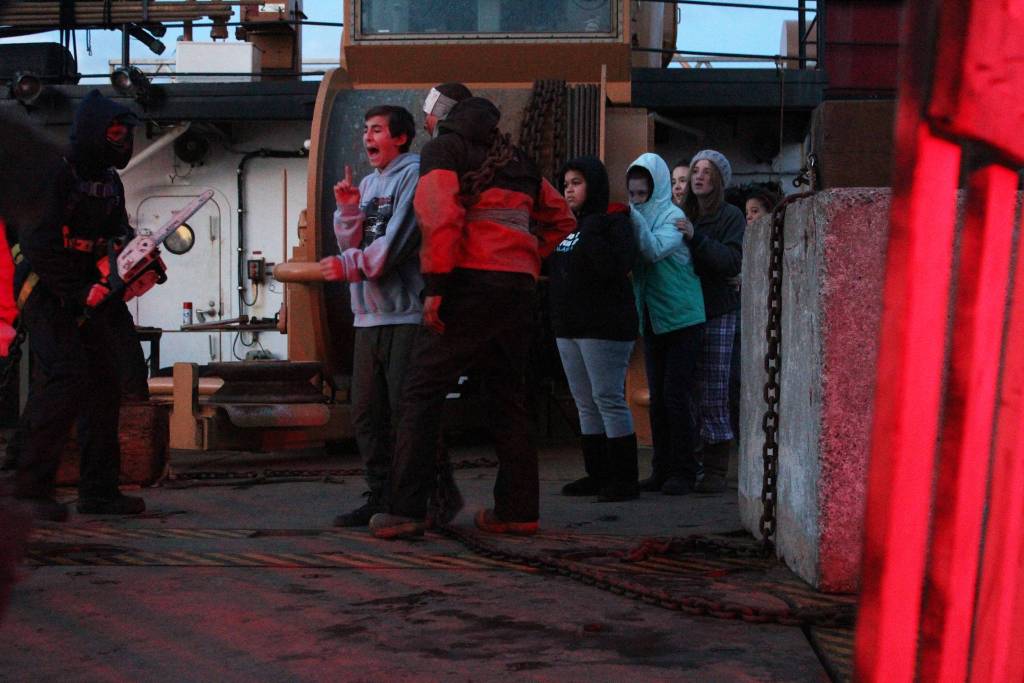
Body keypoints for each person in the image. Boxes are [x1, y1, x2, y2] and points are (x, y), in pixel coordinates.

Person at [370, 93, 576, 539]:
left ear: (439, 116)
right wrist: (527, 258)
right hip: (517, 292)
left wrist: (438, 288)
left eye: (429, 114)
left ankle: (405, 509)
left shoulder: (444, 150)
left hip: (466, 286)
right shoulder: (517, 158)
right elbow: (562, 220)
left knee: (420, 394)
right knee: (508, 397)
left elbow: (440, 216)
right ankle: (518, 511)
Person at [12, 90, 149, 521]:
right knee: (67, 373)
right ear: (92, 132)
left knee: (105, 382)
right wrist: (78, 291)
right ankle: (28, 490)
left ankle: (99, 491)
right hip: (43, 285)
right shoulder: (55, 170)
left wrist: (129, 259)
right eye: (113, 132)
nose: (121, 142)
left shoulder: (109, 180)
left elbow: (115, 230)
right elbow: (37, 243)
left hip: (88, 284)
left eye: (126, 134)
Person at [319, 105, 425, 527]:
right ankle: (380, 496)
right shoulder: (366, 183)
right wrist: (347, 211)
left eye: (377, 129)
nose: (367, 137)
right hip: (368, 316)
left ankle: (412, 501)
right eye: (365, 129)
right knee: (366, 414)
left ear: (400, 137)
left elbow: (395, 242)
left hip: (405, 314)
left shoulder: (413, 177)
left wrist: (349, 267)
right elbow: (354, 242)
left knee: (405, 413)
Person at [550, 157, 639, 502]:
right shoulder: (569, 228)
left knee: (608, 398)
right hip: (570, 326)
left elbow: (616, 265)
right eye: (566, 183)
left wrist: (591, 229)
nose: (569, 189)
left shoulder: (615, 222)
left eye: (576, 182)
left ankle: (624, 479)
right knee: (585, 402)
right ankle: (598, 474)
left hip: (603, 326)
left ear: (594, 185)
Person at [628, 153, 706, 495]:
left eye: (642, 194)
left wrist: (630, 216)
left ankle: (684, 472)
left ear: (655, 188)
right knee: (659, 398)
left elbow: (653, 250)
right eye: (632, 194)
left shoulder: (672, 216)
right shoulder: (639, 216)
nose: (636, 199)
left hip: (683, 318)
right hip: (655, 318)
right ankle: (662, 470)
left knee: (675, 396)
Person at [679, 150, 746, 493]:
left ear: (719, 179)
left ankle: (717, 468)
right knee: (687, 389)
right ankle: (692, 463)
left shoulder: (731, 216)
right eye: (695, 170)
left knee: (716, 389)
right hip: (685, 312)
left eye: (707, 171)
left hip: (718, 310)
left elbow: (731, 261)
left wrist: (696, 237)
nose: (699, 176)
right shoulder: (682, 213)